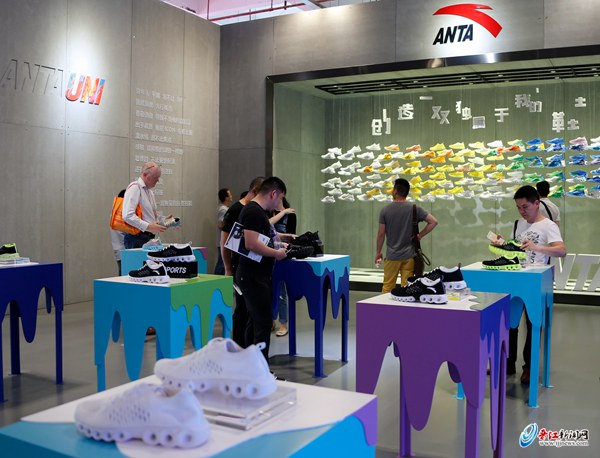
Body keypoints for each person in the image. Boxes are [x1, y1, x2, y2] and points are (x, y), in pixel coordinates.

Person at [494, 185, 566, 384]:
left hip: (537, 282)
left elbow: (561, 251)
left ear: (537, 203)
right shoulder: (518, 224)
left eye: (525, 207)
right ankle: (508, 364)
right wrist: (504, 244)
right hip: (516, 279)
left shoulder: (548, 226)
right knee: (510, 323)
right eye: (518, 207)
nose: (522, 211)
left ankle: (529, 367)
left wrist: (538, 247)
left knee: (533, 324)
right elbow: (516, 250)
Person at [236, 177, 290, 361]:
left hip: (257, 275)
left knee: (256, 322)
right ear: (273, 193)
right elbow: (251, 243)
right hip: (253, 276)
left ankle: (253, 365)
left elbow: (263, 237)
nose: (279, 204)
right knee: (263, 323)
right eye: (280, 198)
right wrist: (276, 253)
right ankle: (259, 367)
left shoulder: (257, 212)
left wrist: (281, 241)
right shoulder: (253, 211)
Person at [220, 177, 265, 348]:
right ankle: (239, 346)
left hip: (255, 268)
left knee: (252, 310)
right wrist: (228, 268)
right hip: (240, 267)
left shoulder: (256, 210)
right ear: (254, 191)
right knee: (242, 309)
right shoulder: (235, 210)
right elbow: (224, 242)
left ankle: (249, 346)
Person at [375, 178, 438, 293]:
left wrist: (378, 252)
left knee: (388, 287)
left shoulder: (385, 210)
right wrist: (420, 235)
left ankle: (385, 305)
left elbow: (381, 234)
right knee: (407, 287)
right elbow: (433, 221)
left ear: (395, 191)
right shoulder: (415, 209)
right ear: (407, 193)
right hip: (409, 256)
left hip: (392, 256)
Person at [122, 162, 167, 249]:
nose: (158, 181)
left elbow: (149, 217)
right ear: (145, 174)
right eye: (155, 177)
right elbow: (127, 215)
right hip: (137, 238)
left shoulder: (149, 192)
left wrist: (165, 221)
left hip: (148, 237)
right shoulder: (135, 188)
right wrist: (148, 227)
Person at [269, 197, 297, 337]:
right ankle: (271, 319)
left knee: (281, 291)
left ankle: (283, 323)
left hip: (281, 256)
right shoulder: (268, 212)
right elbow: (266, 227)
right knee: (268, 289)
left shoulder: (290, 215)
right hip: (267, 255)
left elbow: (291, 236)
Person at [214, 188, 233, 275]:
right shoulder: (223, 209)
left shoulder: (224, 208)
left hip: (224, 240)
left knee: (222, 262)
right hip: (223, 240)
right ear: (226, 198)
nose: (231, 196)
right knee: (222, 263)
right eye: (229, 194)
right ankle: (216, 279)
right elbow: (220, 224)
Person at [111, 189, 127, 275]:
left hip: (120, 251)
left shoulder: (116, 212)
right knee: (124, 277)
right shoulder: (122, 213)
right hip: (124, 252)